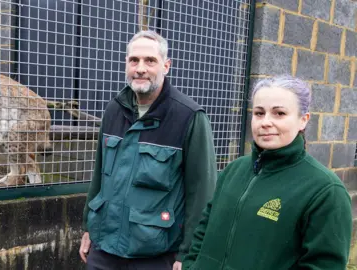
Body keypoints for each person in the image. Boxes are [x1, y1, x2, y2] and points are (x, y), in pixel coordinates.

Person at [79, 30, 217, 270]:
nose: (140, 68)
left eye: (149, 61)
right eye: (134, 60)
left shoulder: (189, 117)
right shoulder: (114, 110)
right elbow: (99, 176)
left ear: (166, 65)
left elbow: (202, 193)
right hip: (104, 249)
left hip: (155, 254)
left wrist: (188, 254)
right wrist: (88, 227)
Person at [182, 75, 353, 270]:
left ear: (303, 120)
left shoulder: (325, 190)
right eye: (259, 113)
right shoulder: (234, 170)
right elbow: (203, 230)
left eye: (279, 113)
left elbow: (323, 265)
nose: (265, 122)